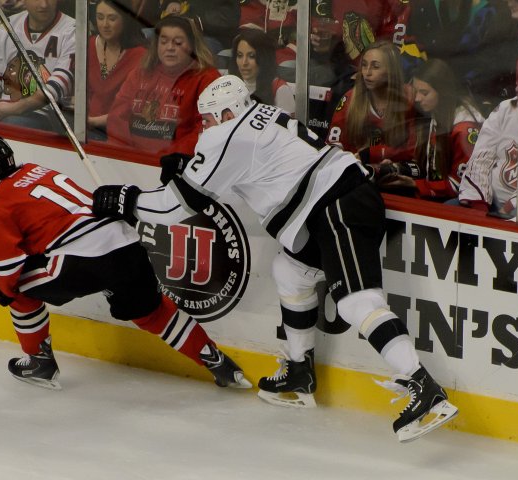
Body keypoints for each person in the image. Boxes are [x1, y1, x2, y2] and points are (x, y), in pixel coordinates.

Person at [91, 75, 459, 442]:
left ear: (227, 111)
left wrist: (125, 200)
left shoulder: (227, 135)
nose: (206, 125)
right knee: (290, 271)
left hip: (336, 207)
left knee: (357, 302)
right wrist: (188, 169)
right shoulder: (261, 113)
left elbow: (175, 206)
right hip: (327, 207)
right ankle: (299, 372)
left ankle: (424, 388)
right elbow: (238, 172)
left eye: (209, 117)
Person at [0, 135, 252, 391]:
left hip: (82, 260)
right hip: (126, 244)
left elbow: (6, 276)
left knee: (15, 291)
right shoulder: (35, 172)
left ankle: (39, 362)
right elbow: (38, 224)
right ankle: (217, 363)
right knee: (150, 311)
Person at [106, 15, 220, 156]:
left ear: (192, 46)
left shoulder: (207, 79)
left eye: (178, 43)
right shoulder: (140, 74)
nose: (170, 48)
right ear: (156, 45)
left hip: (176, 165)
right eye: (163, 42)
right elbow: (117, 118)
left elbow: (206, 129)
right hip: (131, 160)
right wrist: (126, 154)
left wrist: (169, 158)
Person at [379, 58, 484, 201]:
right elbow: (432, 171)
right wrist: (399, 168)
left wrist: (415, 184)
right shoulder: (436, 115)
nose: (416, 98)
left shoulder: (465, 128)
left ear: (442, 92)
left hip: (464, 203)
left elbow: (461, 185)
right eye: (416, 91)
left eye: (424, 92)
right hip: (439, 195)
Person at [0, 0, 75, 131]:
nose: (44, 5)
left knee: (9, 125)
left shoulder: (73, 31)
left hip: (46, 114)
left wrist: (14, 109)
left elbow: (58, 86)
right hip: (2, 107)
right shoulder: (6, 26)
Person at [326, 40, 417, 168]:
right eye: (364, 65)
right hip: (356, 173)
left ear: (391, 70)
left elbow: (414, 149)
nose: (367, 73)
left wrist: (380, 157)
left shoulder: (410, 98)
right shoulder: (350, 98)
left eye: (375, 66)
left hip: (397, 176)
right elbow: (334, 145)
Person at [458, 63, 518, 216]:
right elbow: (481, 158)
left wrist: (512, 205)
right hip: (490, 202)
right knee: (450, 209)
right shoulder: (505, 109)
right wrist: (479, 205)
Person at [87, 0, 147, 139]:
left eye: (112, 18)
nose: (104, 25)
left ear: (125, 19)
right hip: (85, 127)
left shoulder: (141, 55)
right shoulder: (88, 44)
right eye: (100, 17)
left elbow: (135, 109)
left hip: (120, 132)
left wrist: (93, 122)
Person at [228, 28, 277, 105]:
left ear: (264, 58)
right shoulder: (227, 84)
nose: (244, 62)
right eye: (240, 55)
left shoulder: (278, 88)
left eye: (251, 56)